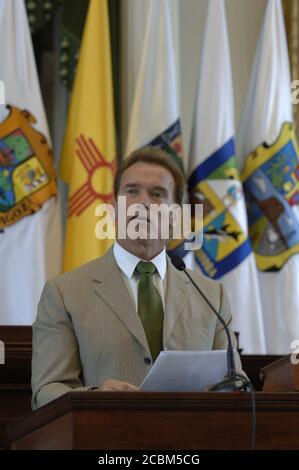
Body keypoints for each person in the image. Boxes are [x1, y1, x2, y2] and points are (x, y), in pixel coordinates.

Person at [31, 146, 244, 409]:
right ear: (113, 208)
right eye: (132, 191)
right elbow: (46, 390)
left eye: (157, 194)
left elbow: (236, 385)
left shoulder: (212, 296)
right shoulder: (63, 293)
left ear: (175, 216)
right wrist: (95, 397)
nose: (143, 202)